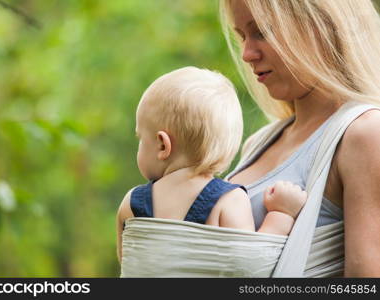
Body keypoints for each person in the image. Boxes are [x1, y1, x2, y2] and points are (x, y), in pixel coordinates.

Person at [220, 0, 380, 277]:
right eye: (241, 36)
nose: (246, 54)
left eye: (262, 32)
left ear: (321, 26)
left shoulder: (364, 133)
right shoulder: (257, 143)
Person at [116, 66, 307, 262]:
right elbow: (253, 265)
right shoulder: (229, 201)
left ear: (163, 145)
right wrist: (282, 213)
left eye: (141, 138)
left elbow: (129, 266)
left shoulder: (130, 205)